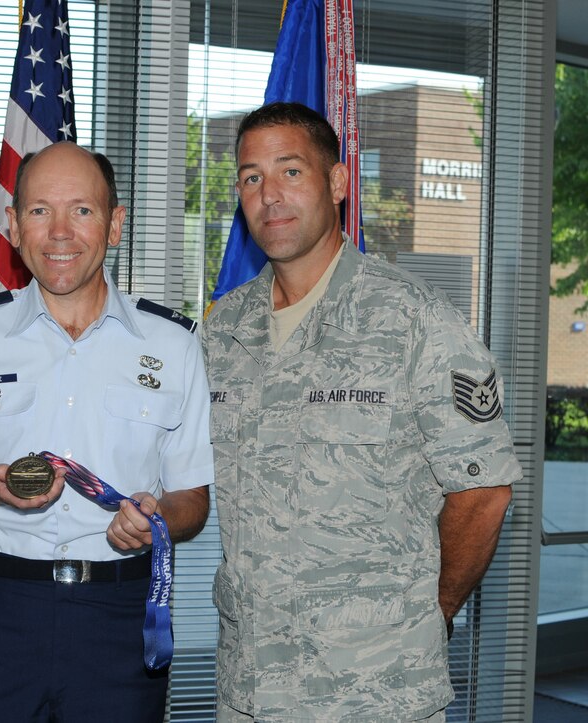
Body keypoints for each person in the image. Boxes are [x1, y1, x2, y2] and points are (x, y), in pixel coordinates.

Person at [203, 101, 522, 722]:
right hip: (249, 689)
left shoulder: (414, 320)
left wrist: (431, 612)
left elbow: (483, 491)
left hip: (378, 691)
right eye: (251, 177)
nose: (269, 194)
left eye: (290, 171)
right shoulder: (221, 334)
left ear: (339, 182)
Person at [0, 141, 214, 722]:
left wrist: (157, 520)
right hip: (0, 614)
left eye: (83, 210)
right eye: (40, 211)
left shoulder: (173, 345)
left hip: (121, 619)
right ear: (15, 227)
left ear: (115, 224)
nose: (60, 232)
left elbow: (193, 500)